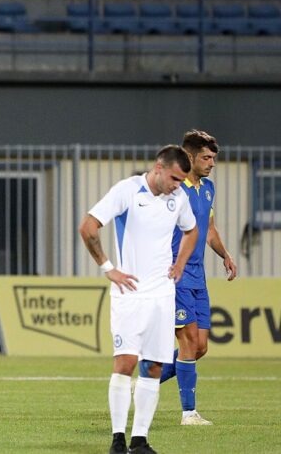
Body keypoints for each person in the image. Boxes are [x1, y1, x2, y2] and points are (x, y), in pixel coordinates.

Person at [79, 145, 199, 454]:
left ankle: (140, 440)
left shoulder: (178, 197)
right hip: (129, 294)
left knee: (154, 366)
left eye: (181, 181)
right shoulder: (128, 191)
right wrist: (108, 268)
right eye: (174, 178)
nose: (177, 186)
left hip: (163, 295)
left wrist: (180, 263)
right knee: (126, 362)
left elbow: (192, 231)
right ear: (159, 167)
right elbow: (88, 227)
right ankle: (117, 439)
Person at [159, 130, 238, 426]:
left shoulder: (208, 188)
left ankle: (147, 378)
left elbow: (210, 229)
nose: (212, 163)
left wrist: (225, 255)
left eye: (213, 158)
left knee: (200, 346)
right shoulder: (173, 190)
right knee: (189, 340)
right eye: (206, 158)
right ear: (189, 157)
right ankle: (188, 413)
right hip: (175, 274)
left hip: (198, 276)